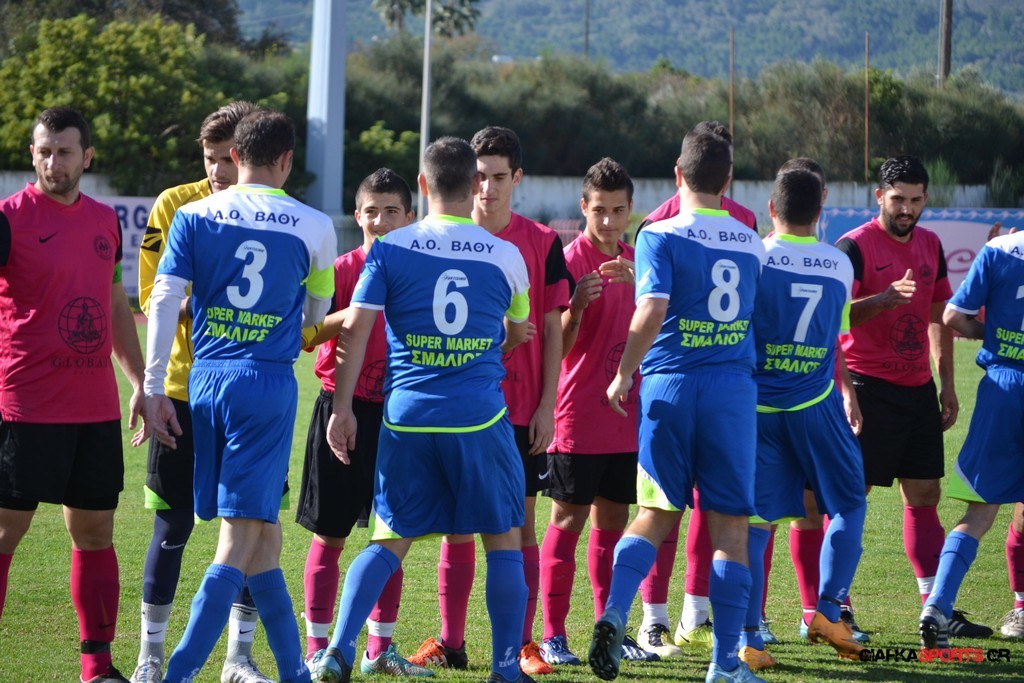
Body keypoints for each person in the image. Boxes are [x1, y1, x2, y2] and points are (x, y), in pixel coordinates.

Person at [312, 136, 532, 683]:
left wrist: (342, 408)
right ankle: (505, 669)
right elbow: (516, 330)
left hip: (407, 417)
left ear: (422, 185)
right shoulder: (506, 254)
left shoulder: (389, 249)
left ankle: (337, 650)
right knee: (503, 538)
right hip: (479, 418)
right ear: (476, 184)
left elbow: (356, 329)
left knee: (388, 540)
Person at [142, 109, 337, 683]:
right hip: (265, 385)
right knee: (238, 539)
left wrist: (152, 386)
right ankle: (178, 673)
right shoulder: (314, 224)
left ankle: (294, 673)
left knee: (265, 543)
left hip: (202, 382)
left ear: (235, 156)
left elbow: (162, 299)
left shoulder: (193, 214)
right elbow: (316, 312)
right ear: (287, 160)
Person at [587, 124, 766, 683]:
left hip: (670, 386)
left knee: (655, 513)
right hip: (730, 391)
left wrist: (623, 373)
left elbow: (652, 309)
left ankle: (615, 612)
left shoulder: (658, 232)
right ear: (728, 180)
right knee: (730, 527)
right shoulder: (750, 240)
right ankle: (724, 664)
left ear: (678, 175)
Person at [407, 126, 573, 676]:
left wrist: (548, 405)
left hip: (520, 409)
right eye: (479, 176)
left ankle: (523, 645)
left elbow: (553, 329)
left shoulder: (542, 243)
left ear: (516, 178)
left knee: (519, 523)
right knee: (458, 524)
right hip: (457, 407)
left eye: (499, 177)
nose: (487, 188)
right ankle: (451, 642)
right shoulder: (440, 237)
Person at [133, 100, 281, 683]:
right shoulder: (175, 205)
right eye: (210, 158)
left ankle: (238, 659)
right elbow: (152, 297)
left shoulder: (273, 213)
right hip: (182, 391)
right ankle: (150, 657)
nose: (219, 170)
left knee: (253, 527)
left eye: (228, 158)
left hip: (250, 396)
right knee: (172, 525)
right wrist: (217, 302)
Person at [0, 106, 146, 683]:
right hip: (25, 407)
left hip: (93, 410)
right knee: (5, 535)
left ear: (87, 156)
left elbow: (114, 305)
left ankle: (97, 667)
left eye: (64, 151)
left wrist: (139, 381)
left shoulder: (106, 221)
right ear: (32, 155)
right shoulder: (9, 219)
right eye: (44, 151)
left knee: (95, 534)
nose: (53, 162)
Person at [834, 155, 990, 640]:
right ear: (879, 196)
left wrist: (946, 382)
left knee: (924, 495)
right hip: (867, 387)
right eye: (898, 199)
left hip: (918, 390)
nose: (907, 209)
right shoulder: (852, 246)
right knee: (851, 499)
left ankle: (935, 607)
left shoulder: (931, 244)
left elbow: (938, 315)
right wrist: (882, 300)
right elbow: (833, 317)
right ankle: (836, 606)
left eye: (916, 200)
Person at [538, 158, 673, 665]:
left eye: (618, 210)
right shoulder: (568, 261)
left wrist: (645, 286)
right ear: (584, 207)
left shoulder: (641, 263)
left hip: (629, 418)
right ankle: (553, 636)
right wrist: (576, 306)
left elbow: (663, 329)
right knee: (567, 519)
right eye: (600, 210)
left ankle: (610, 627)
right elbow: (558, 347)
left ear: (631, 208)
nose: (609, 221)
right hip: (577, 414)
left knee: (615, 521)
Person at [296, 168, 430, 677]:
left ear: (410, 216)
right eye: (371, 211)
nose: (381, 220)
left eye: (392, 211)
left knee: (390, 537)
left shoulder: (422, 271)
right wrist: (353, 313)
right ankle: (317, 648)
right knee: (329, 535)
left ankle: (380, 650)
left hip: (400, 416)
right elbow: (305, 335)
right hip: (341, 408)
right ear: (357, 216)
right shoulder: (341, 269)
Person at [638, 121, 766, 651]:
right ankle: (654, 617)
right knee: (677, 511)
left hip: (681, 386)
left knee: (690, 508)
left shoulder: (740, 223)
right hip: (713, 385)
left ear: (680, 170)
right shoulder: (660, 224)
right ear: (727, 175)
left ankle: (696, 612)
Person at [741, 167, 868, 671]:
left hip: (758, 407)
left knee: (756, 523)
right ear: (820, 212)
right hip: (815, 404)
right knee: (849, 504)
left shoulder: (754, 256)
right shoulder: (839, 264)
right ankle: (829, 611)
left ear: (772, 209)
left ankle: (751, 637)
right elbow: (835, 335)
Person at [918, 227, 1024, 648]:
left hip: (1003, 388)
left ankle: (938, 605)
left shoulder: (1000, 250)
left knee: (979, 512)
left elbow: (952, 317)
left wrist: (994, 331)